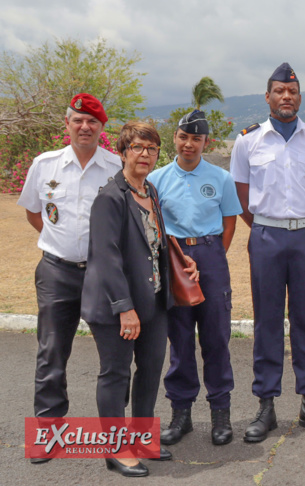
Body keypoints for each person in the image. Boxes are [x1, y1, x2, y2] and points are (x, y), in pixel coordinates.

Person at [230, 62, 305, 441]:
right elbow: (242, 197)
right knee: (267, 321)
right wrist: (268, 226)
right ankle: (266, 405)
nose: (286, 97)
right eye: (279, 91)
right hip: (267, 238)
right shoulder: (248, 141)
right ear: (267, 97)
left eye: (292, 91)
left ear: (299, 97)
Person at [81, 121, 199, 477]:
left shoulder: (150, 191)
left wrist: (178, 255)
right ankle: (116, 451)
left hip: (155, 302)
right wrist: (125, 309)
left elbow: (152, 238)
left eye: (151, 148)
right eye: (137, 147)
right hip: (117, 308)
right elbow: (106, 258)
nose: (145, 154)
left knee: (149, 373)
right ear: (122, 152)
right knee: (115, 376)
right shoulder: (109, 198)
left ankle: (143, 440)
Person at [17, 94, 122, 464]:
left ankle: (117, 439)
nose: (84, 127)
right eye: (78, 120)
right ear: (67, 124)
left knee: (114, 357)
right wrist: (60, 244)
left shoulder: (115, 168)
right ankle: (48, 433)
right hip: (57, 272)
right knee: (51, 353)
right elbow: (36, 214)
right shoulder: (44, 165)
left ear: (101, 128)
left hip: (103, 274)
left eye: (92, 122)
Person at [148, 110, 243, 446]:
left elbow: (229, 221)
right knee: (180, 338)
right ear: (174, 138)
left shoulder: (221, 178)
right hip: (173, 259)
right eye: (183, 137)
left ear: (206, 142)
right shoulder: (156, 180)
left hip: (210, 256)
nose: (189, 144)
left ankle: (221, 413)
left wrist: (213, 255)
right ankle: (181, 414)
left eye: (196, 139)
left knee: (216, 337)